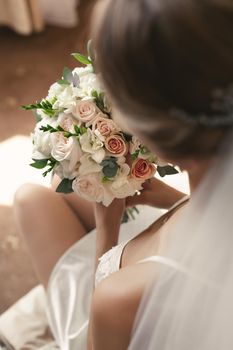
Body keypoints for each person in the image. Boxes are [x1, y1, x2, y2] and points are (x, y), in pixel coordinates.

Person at [14, 0, 233, 349]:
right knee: (48, 193)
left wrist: (107, 235)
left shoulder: (119, 297)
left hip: (106, 314)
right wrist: (176, 201)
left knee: (31, 199)